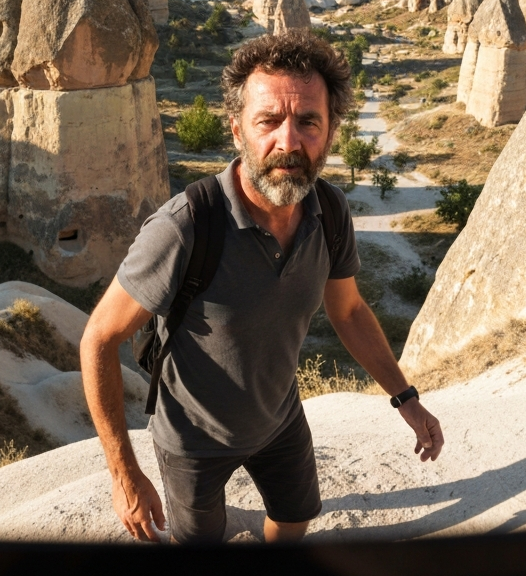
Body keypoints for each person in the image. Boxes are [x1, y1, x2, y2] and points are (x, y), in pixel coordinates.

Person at [80, 32, 444, 545]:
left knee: (294, 521)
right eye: (268, 121)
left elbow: (350, 312)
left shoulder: (331, 214)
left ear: (331, 131)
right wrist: (125, 475)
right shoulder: (185, 226)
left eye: (308, 122)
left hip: (279, 420)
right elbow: (98, 337)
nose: (289, 142)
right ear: (236, 131)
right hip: (193, 439)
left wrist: (405, 398)